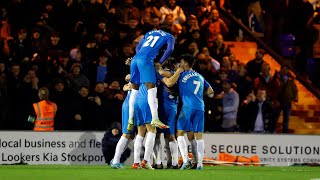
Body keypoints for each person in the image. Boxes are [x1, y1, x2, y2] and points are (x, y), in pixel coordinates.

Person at [160, 54, 214, 170]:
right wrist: (198, 95)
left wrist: (175, 72)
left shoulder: (181, 74)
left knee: (179, 134)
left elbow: (169, 82)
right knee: (198, 135)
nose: (180, 64)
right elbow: (211, 92)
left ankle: (186, 161)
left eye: (181, 62)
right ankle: (199, 164)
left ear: (185, 63)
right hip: (200, 107)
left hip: (187, 107)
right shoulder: (200, 76)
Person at [127, 25, 175, 131]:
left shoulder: (149, 32)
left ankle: (130, 118)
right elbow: (170, 49)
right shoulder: (169, 36)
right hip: (146, 60)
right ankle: (155, 118)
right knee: (152, 89)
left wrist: (139, 56)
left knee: (134, 90)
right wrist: (160, 62)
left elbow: (137, 48)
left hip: (135, 60)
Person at [110, 74, 135, 169]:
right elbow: (127, 77)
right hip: (129, 106)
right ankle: (115, 161)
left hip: (135, 106)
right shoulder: (139, 70)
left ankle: (115, 159)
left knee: (131, 136)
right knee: (126, 134)